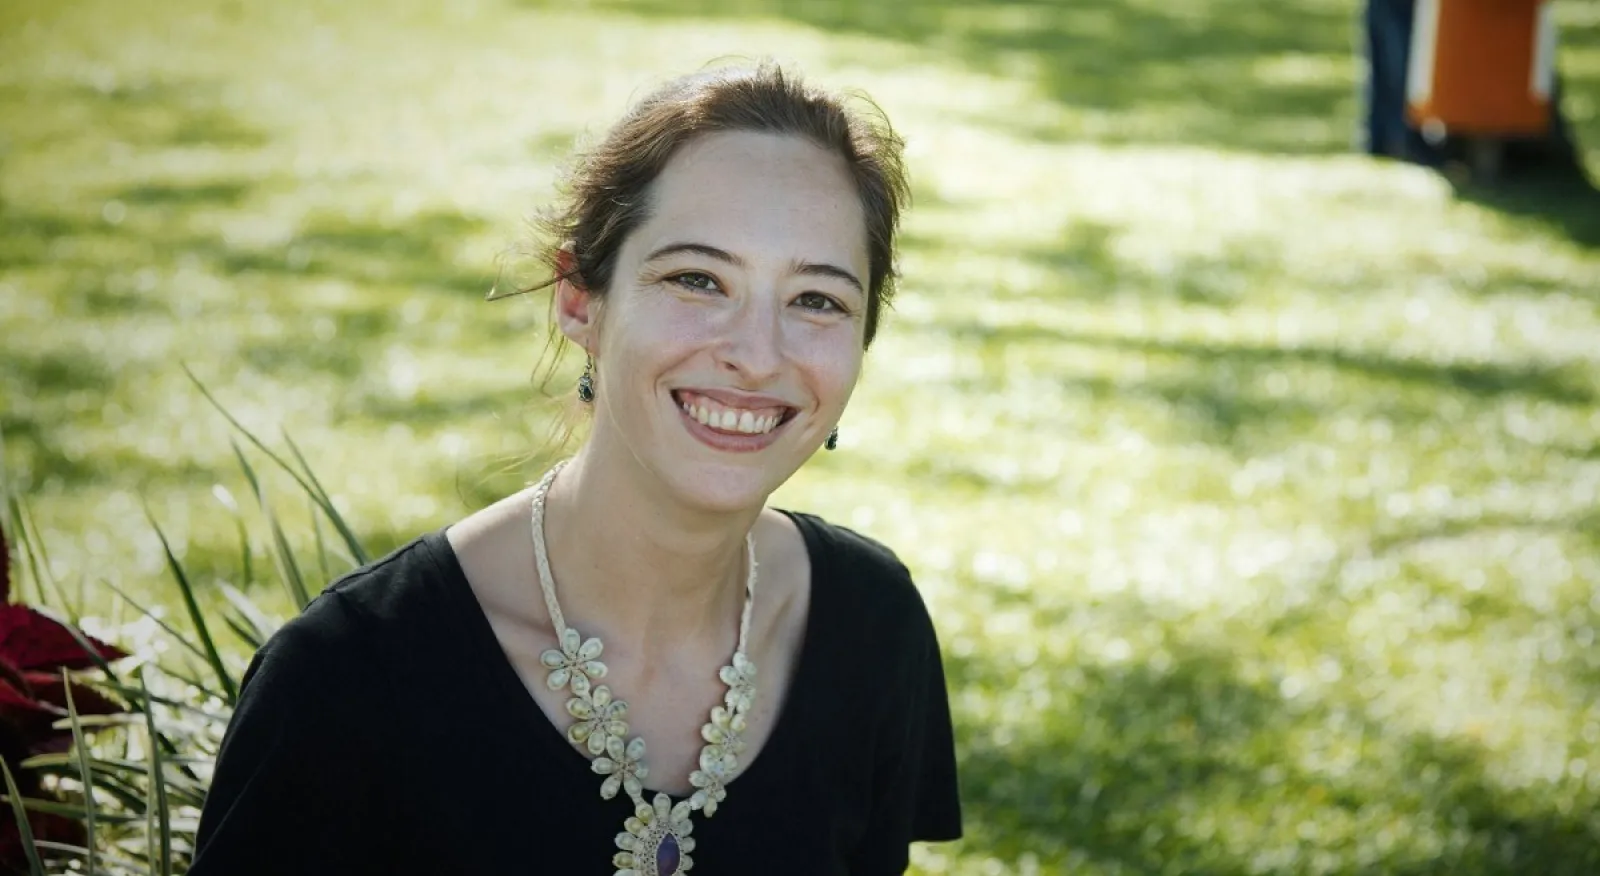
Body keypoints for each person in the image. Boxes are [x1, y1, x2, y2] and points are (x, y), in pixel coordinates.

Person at [188, 62, 963, 876]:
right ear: (579, 301)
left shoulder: (873, 627)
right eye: (697, 280)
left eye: (817, 300)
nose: (756, 356)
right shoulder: (347, 681)